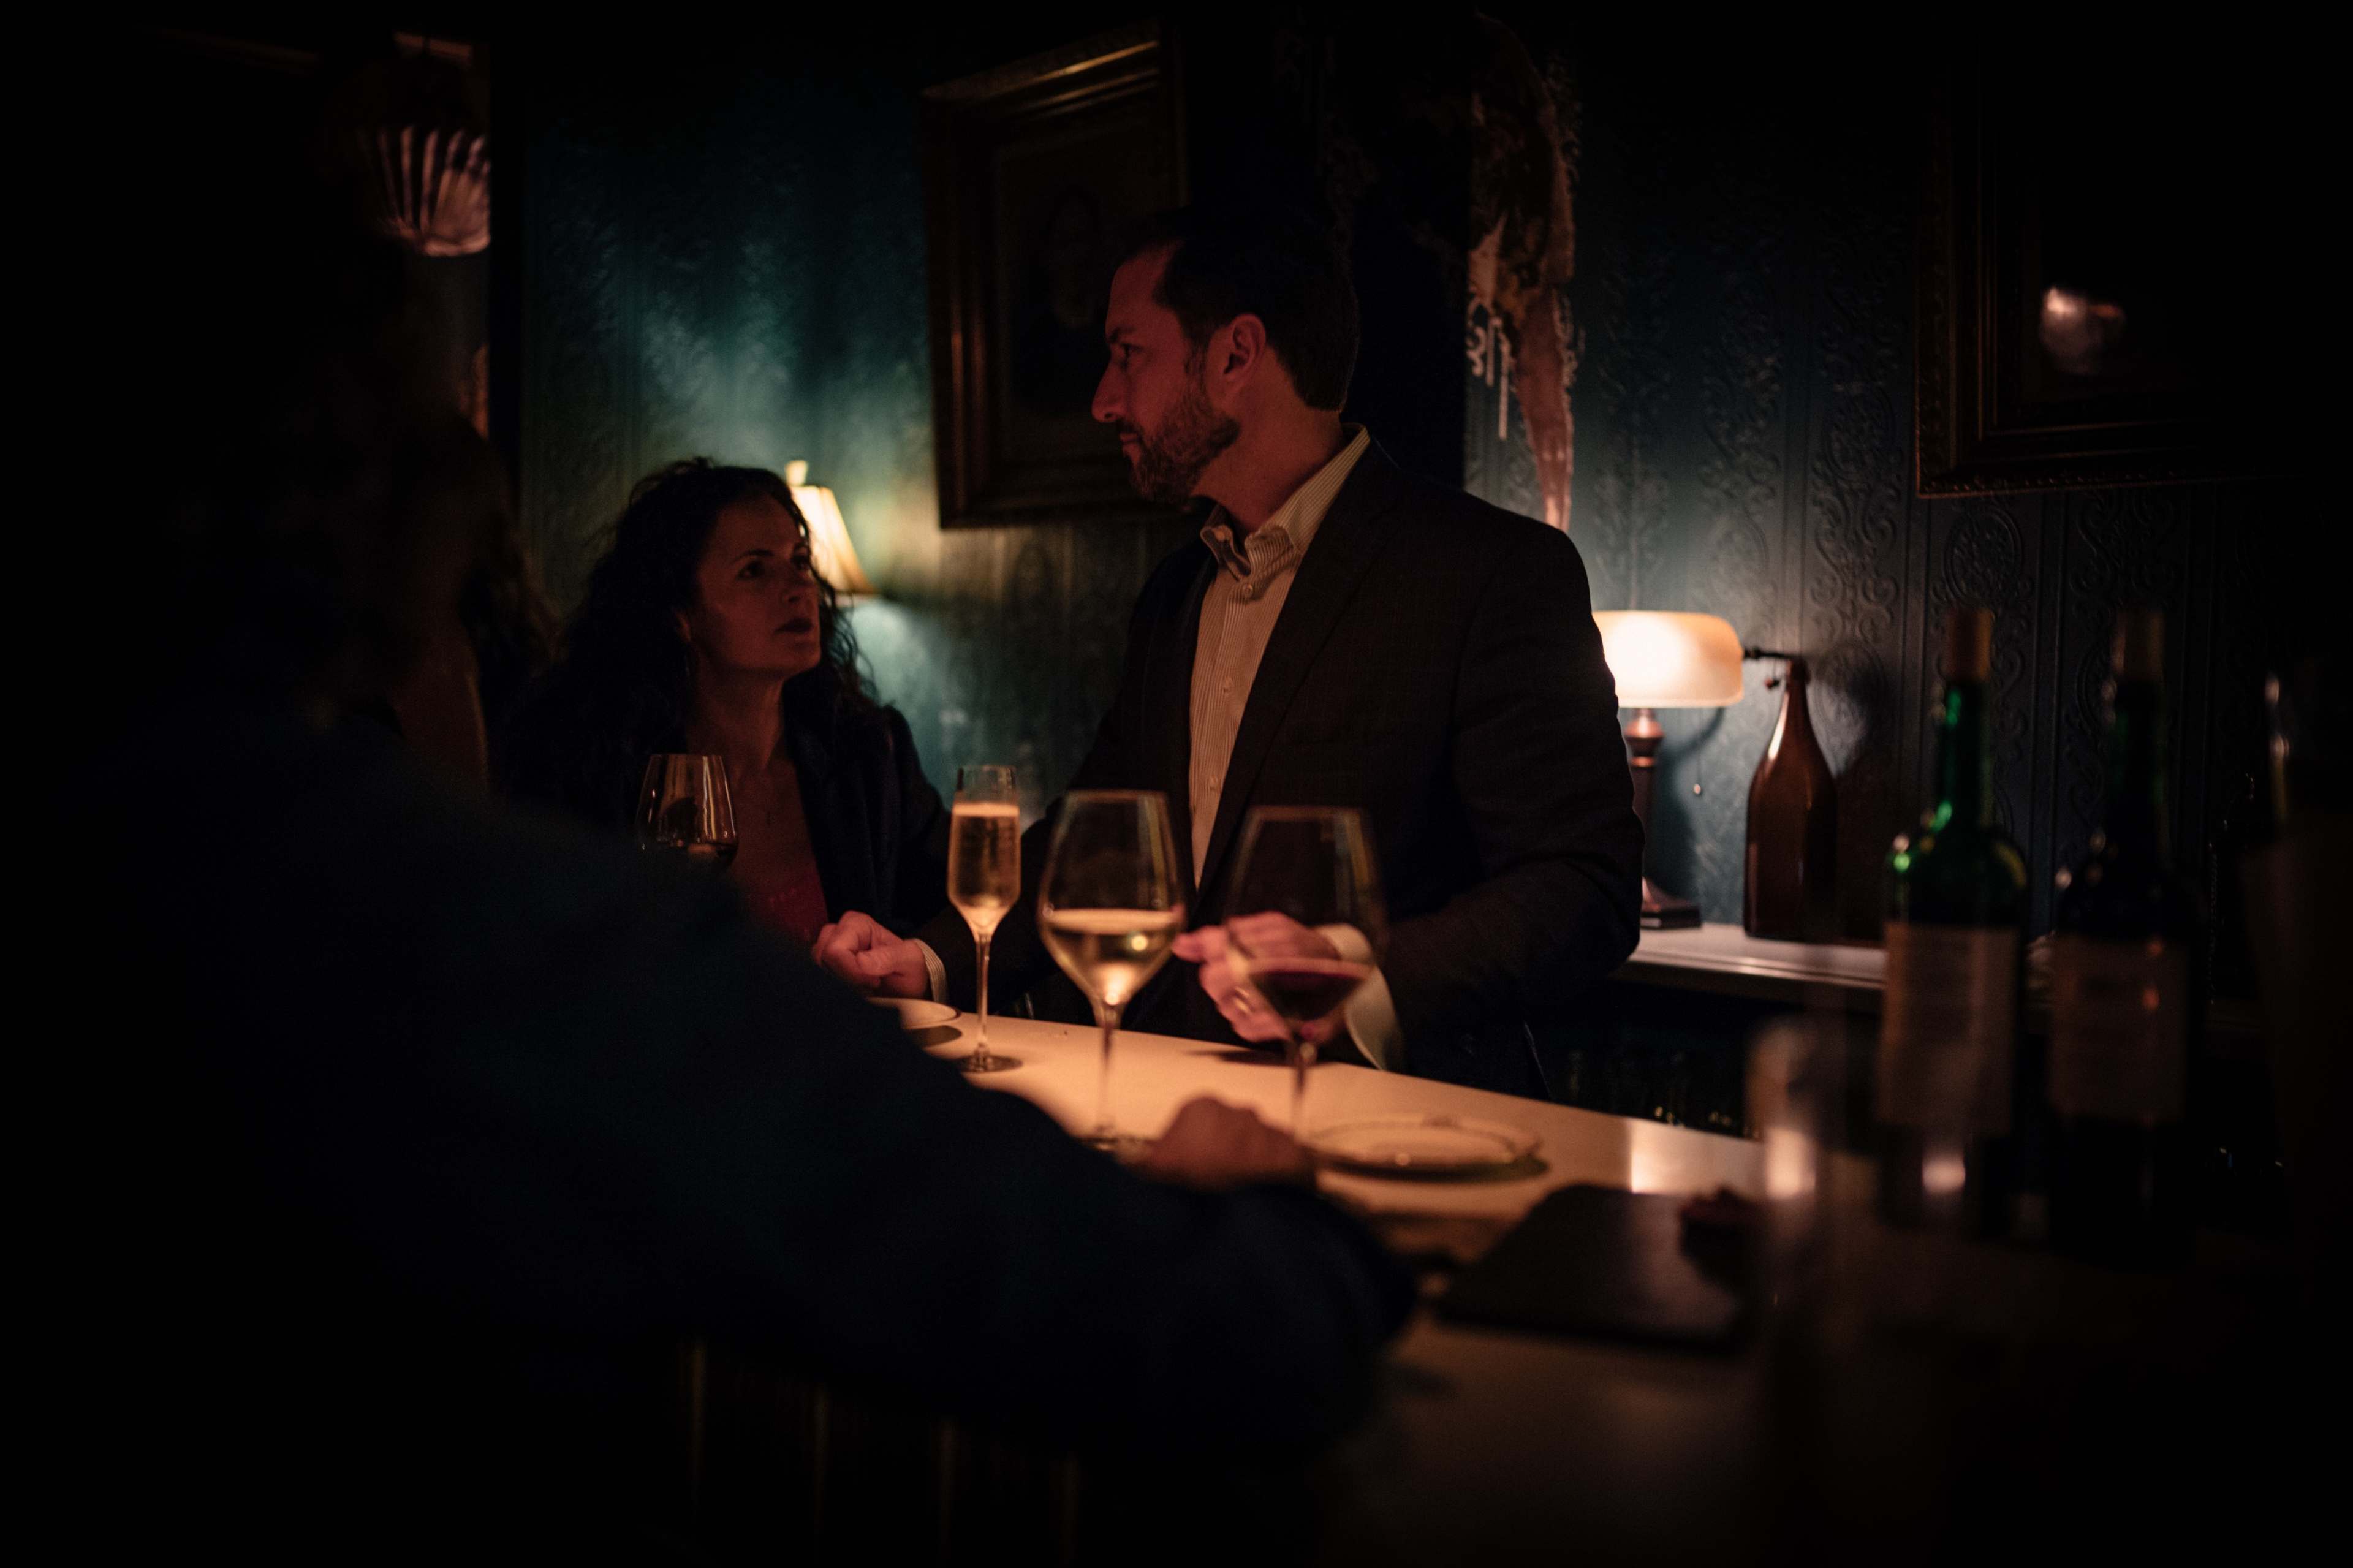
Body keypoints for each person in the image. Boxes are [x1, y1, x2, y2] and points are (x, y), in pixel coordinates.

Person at [55, 160, 1414, 1556]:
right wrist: (1235, 1203)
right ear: (406, 555)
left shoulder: (831, 760)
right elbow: (1207, 1327)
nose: (796, 592)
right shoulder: (525, 947)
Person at [814, 206, 1643, 1099]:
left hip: (1402, 1126)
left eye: (1128, 352)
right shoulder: (1177, 592)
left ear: (1237, 356)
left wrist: (1363, 977)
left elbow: (1582, 886)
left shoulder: (1493, 572)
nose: (1103, 398)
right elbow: (1098, 837)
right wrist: (932, 959)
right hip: (1171, 1117)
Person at [502, 461, 948, 946]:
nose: (800, 588)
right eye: (754, 570)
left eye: (800, 561)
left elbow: (951, 926)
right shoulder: (600, 769)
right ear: (680, 615)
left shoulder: (870, 752)